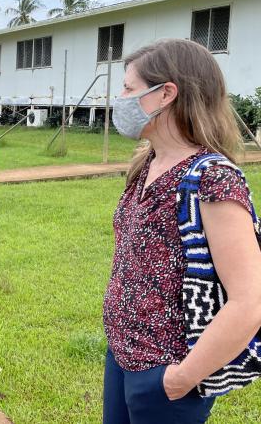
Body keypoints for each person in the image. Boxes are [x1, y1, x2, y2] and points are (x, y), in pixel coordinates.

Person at [102, 39, 261, 423]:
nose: (120, 98)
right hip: (122, 354)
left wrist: (182, 377)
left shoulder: (213, 178)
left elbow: (251, 302)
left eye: (128, 88)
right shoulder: (147, 162)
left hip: (167, 372)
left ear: (166, 94)